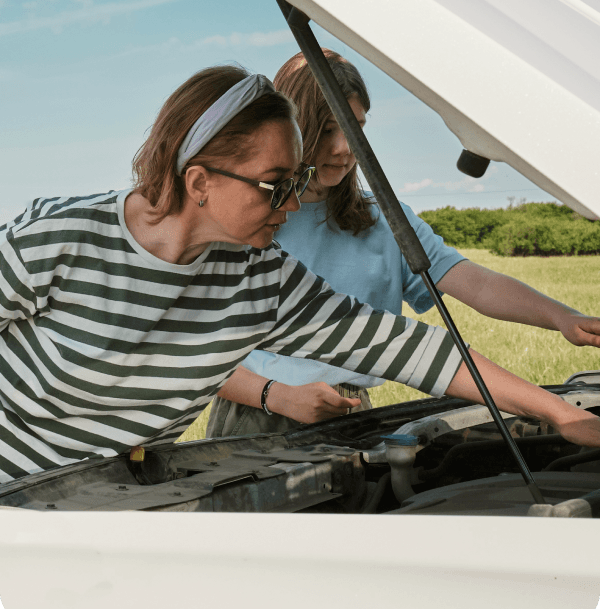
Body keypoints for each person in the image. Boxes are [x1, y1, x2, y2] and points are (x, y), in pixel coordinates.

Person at [1, 66, 600, 485]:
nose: (292, 205)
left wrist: (559, 412)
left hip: (108, 503)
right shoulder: (59, 237)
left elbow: (414, 350)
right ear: (200, 181)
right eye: (276, 185)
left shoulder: (263, 279)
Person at [207, 50, 600, 439]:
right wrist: (275, 396)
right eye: (328, 128)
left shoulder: (384, 219)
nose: (344, 146)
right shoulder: (248, 221)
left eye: (354, 126)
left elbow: (476, 284)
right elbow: (193, 349)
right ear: (292, 128)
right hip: (256, 415)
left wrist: (561, 317)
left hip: (355, 414)